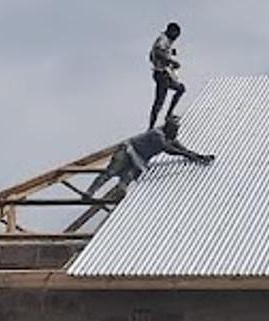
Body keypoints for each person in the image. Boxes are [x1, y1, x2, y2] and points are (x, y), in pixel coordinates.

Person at [83, 114, 215, 198]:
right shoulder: (157, 134)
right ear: (168, 127)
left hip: (139, 160)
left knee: (128, 177)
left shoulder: (170, 139)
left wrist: (199, 157)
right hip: (128, 151)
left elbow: (184, 151)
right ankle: (90, 192)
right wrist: (186, 154)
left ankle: (119, 191)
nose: (176, 132)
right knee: (111, 172)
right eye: (174, 129)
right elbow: (169, 150)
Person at [149, 22, 186, 128]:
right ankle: (151, 126)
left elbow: (162, 52)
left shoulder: (167, 42)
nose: (176, 38)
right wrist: (171, 61)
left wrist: (171, 53)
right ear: (171, 31)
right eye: (176, 35)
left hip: (166, 74)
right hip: (161, 74)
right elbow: (157, 52)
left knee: (180, 89)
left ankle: (168, 115)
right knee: (159, 101)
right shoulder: (163, 39)